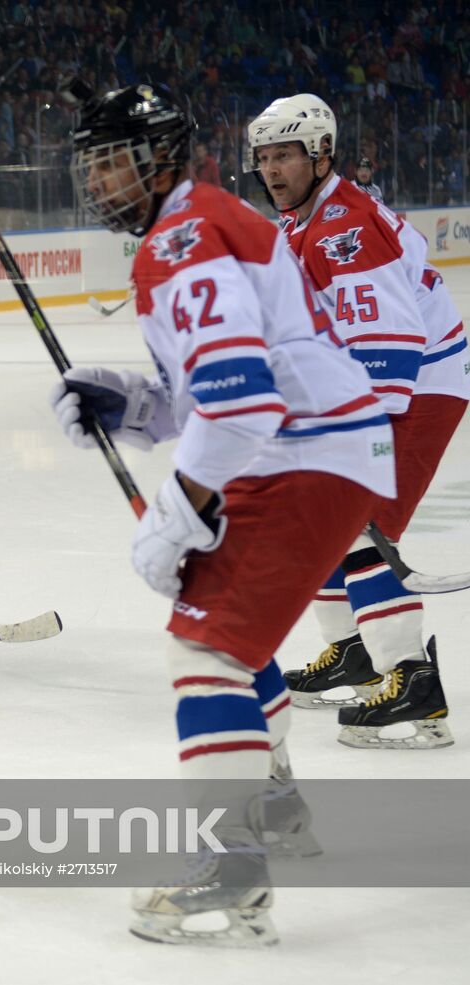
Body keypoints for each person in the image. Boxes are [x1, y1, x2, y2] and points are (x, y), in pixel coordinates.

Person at [58, 82, 395, 946]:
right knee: (223, 636)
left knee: (203, 645)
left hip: (302, 451)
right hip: (310, 445)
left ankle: (234, 859)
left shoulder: (183, 233)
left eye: (116, 161)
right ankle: (272, 803)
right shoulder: (199, 222)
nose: (102, 182)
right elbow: (207, 391)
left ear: (162, 156)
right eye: (91, 165)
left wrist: (177, 510)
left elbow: (241, 404)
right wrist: (131, 402)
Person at [246, 94, 464, 748]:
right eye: (263, 157)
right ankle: (354, 651)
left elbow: (393, 343)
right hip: (384, 383)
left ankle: (415, 684)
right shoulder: (298, 222)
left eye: (285, 153)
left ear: (320, 154)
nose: (272, 169)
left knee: (353, 531)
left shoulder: (345, 225)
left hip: (419, 386)